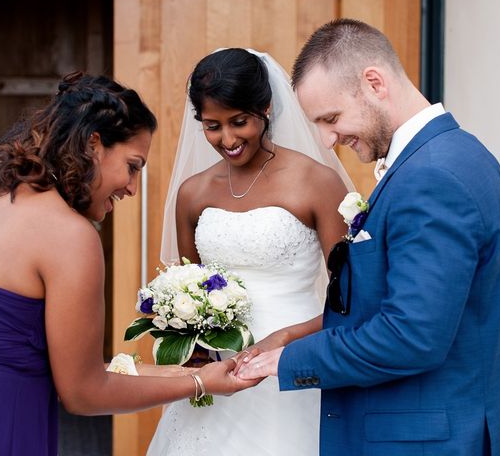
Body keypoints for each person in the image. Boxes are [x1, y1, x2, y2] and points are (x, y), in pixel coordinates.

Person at [0, 71, 260, 455]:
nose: (133, 188)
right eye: (133, 166)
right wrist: (201, 384)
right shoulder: (69, 235)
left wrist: (173, 371)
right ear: (94, 145)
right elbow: (84, 393)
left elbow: (5, 343)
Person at [238, 19, 500, 455]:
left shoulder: (431, 176)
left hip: (433, 440)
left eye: (331, 118)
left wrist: (290, 361)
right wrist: (294, 336)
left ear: (374, 82)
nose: (327, 138)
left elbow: (411, 336)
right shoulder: (453, 155)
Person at [147, 48, 353, 455]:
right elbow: (189, 284)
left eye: (239, 122)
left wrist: (288, 338)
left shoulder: (316, 182)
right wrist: (192, 347)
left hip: (294, 365)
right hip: (221, 374)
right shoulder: (193, 193)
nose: (227, 139)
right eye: (212, 126)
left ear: (266, 108)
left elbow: (350, 296)